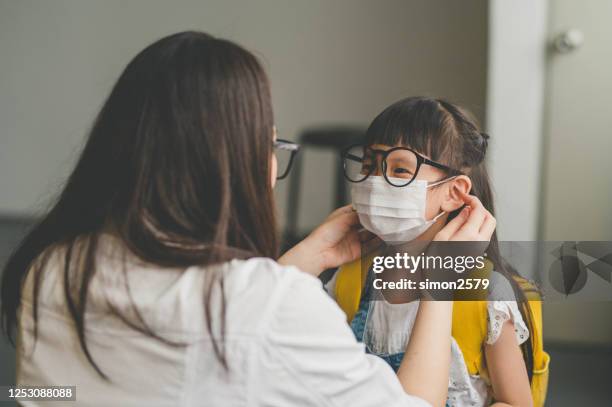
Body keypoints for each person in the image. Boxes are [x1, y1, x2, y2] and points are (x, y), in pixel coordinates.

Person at [1, 33, 494, 407]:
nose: (274, 163)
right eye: (270, 144)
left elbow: (54, 395)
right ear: (234, 162)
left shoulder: (48, 269)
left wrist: (299, 263)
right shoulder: (272, 307)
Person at [329, 97, 549, 407]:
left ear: (454, 192)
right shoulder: (353, 275)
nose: (375, 181)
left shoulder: (486, 296)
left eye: (400, 169)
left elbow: (516, 403)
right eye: (369, 165)